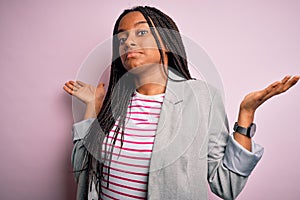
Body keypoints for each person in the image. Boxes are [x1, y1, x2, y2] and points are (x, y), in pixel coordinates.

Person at [63, 6, 299, 200]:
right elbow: (83, 175)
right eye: (122, 38)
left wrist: (246, 115)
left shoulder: (202, 98)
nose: (128, 42)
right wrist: (92, 108)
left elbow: (226, 185)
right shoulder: (115, 103)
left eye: (141, 33)